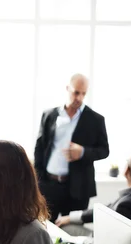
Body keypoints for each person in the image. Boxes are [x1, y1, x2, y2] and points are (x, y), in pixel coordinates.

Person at [34, 73, 109, 222]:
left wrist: (83, 152)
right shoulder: (49, 115)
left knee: (73, 234)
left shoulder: (96, 120)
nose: (79, 98)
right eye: (76, 92)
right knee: (44, 229)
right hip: (49, 185)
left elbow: (104, 150)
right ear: (68, 89)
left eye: (83, 94)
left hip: (78, 188)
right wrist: (38, 179)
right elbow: (39, 148)